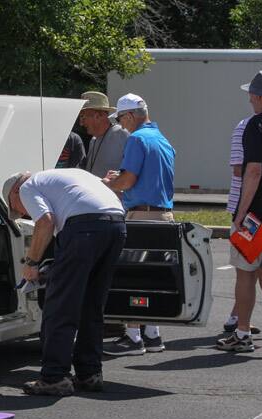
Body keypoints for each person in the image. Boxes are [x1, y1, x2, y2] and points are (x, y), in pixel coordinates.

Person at [6, 168, 126, 396]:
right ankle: (89, 374)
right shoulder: (72, 176)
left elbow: (45, 222)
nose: (23, 215)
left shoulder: (28, 188)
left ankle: (54, 377)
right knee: (92, 306)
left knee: (60, 307)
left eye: (17, 210)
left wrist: (31, 263)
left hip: (83, 229)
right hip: (117, 225)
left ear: (15, 193)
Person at [217, 71, 262, 353]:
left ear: (259, 96)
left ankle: (243, 334)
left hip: (256, 219)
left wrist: (240, 212)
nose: (250, 101)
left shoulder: (257, 124)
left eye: (251, 96)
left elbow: (252, 170)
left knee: (246, 274)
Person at [102, 93, 175, 356]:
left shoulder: (136, 138)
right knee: (153, 277)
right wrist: (120, 178)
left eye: (121, 119)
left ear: (131, 115)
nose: (121, 124)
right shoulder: (161, 139)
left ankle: (133, 337)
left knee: (132, 277)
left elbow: (129, 180)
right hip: (163, 214)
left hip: (141, 215)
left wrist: (109, 183)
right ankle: (152, 334)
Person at [223, 115, 262, 336]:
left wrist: (241, 213)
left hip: (254, 211)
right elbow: (242, 169)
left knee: (251, 271)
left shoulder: (253, 124)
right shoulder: (250, 125)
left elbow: (246, 169)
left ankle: (240, 327)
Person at [78, 91, 129, 178]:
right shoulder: (93, 140)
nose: (81, 123)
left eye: (83, 117)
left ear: (98, 116)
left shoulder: (122, 135)